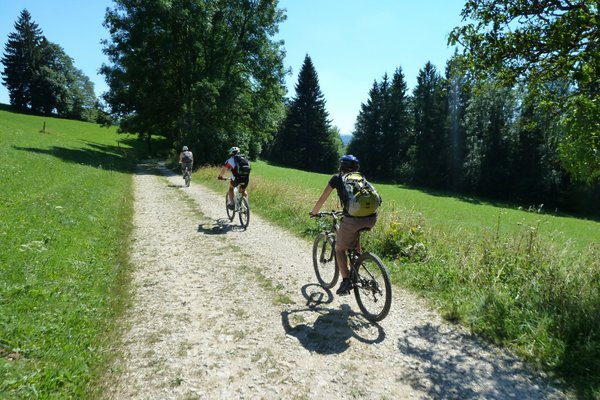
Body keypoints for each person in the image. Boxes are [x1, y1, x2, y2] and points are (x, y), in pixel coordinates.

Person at [310, 155, 378, 295]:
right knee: (354, 236)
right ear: (356, 168)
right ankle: (357, 262)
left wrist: (314, 212)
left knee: (340, 249)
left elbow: (323, 198)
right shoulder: (361, 178)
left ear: (341, 166)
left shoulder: (337, 178)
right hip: (371, 218)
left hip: (353, 219)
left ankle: (346, 280)